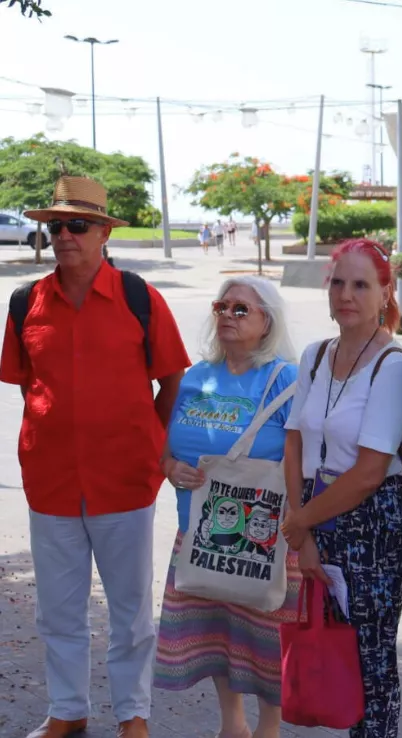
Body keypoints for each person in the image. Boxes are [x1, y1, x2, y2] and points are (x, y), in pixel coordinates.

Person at [1, 175, 191, 738]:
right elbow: (26, 383)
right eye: (55, 226)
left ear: (104, 232)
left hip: (126, 482)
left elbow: (173, 380)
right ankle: (68, 710)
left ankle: (133, 715)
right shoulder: (24, 302)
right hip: (51, 482)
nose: (64, 235)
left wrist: (151, 450)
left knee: (131, 614)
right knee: (57, 611)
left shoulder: (139, 298)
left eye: (77, 225)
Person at [280, 238, 402, 738]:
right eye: (338, 283)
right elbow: (294, 441)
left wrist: (299, 522)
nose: (346, 295)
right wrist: (303, 529)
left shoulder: (392, 366)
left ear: (385, 294)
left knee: (371, 666)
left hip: (370, 527)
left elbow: (368, 472)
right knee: (332, 651)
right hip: (316, 513)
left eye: (361, 285)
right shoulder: (316, 355)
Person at [153, 276, 300, 738]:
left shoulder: (285, 378)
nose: (228, 316)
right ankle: (231, 724)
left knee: (265, 640)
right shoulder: (196, 377)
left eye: (242, 310)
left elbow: (305, 457)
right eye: (222, 306)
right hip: (199, 532)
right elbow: (166, 449)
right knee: (220, 635)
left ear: (267, 322)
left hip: (263, 539)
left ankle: (269, 729)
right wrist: (170, 467)